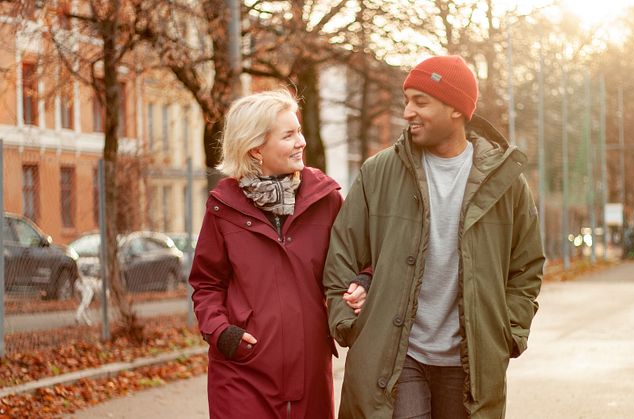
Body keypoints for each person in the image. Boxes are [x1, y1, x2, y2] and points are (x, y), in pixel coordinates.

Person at [323, 55, 545, 418]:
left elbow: (527, 266)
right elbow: (341, 256)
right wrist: (349, 321)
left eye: (420, 101)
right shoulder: (379, 173)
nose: (408, 112)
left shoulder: (505, 183)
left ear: (456, 108)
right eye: (406, 100)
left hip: (470, 359)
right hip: (397, 355)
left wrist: (508, 331)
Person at [189, 89, 360, 418]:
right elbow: (206, 283)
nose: (302, 142)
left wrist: (362, 281)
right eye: (289, 135)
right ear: (256, 148)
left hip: (310, 372)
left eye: (299, 131)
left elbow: (358, 259)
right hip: (241, 372)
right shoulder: (223, 207)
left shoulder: (326, 199)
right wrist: (222, 332)